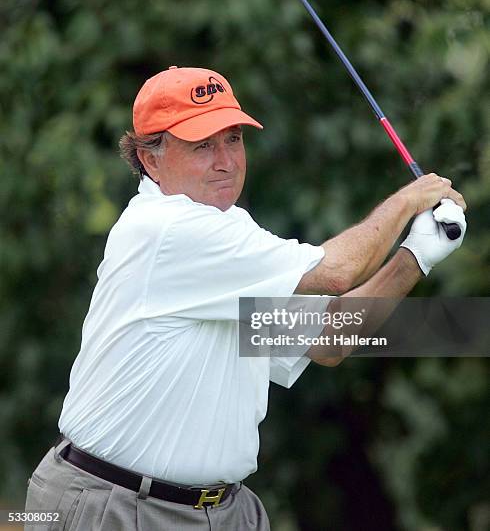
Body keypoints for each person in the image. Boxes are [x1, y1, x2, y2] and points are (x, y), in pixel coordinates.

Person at [25, 66, 467, 530]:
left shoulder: (231, 239)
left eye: (233, 139)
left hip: (222, 512)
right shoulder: (165, 230)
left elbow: (330, 340)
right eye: (203, 145)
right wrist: (409, 201)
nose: (226, 161)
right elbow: (337, 273)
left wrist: (416, 256)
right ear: (149, 159)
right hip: (110, 506)